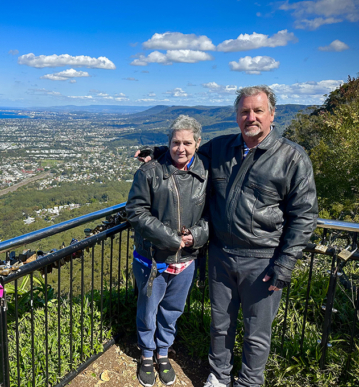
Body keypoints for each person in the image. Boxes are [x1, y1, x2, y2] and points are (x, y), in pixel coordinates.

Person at [136, 86, 318, 387]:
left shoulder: (292, 159)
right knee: (220, 326)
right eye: (245, 111)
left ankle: (248, 382)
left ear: (272, 114)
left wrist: (285, 265)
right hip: (221, 254)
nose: (251, 117)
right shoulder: (220, 148)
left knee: (257, 332)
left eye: (258, 110)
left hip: (263, 259)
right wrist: (157, 152)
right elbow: (185, 150)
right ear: (236, 116)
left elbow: (304, 216)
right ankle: (218, 377)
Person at [126, 115, 209, 387]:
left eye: (187, 142)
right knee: (148, 309)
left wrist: (195, 236)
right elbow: (136, 212)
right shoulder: (149, 172)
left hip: (186, 260)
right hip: (152, 258)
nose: (180, 148)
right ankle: (147, 355)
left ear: (198, 143)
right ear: (168, 143)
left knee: (173, 309)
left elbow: (212, 216)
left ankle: (164, 351)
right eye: (175, 142)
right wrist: (172, 239)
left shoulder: (205, 174)